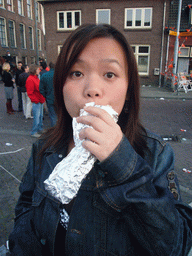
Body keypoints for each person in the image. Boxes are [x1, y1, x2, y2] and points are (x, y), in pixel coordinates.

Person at [9, 24, 192, 255]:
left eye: (109, 74)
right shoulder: (43, 149)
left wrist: (123, 163)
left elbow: (176, 245)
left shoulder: (155, 154)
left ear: (128, 91)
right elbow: (25, 209)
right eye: (76, 73)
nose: (92, 89)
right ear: (61, 86)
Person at [25, 64, 45, 138]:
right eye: (37, 69)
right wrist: (35, 100)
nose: (39, 70)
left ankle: (39, 129)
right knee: (37, 117)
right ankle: (34, 131)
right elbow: (30, 92)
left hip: (40, 100)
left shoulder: (35, 78)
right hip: (37, 101)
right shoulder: (30, 79)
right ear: (34, 70)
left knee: (40, 116)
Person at [39, 62, 57, 127]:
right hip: (60, 99)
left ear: (49, 67)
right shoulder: (61, 75)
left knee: (53, 116)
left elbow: (41, 88)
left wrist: (46, 95)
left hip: (49, 98)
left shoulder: (44, 76)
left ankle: (54, 131)